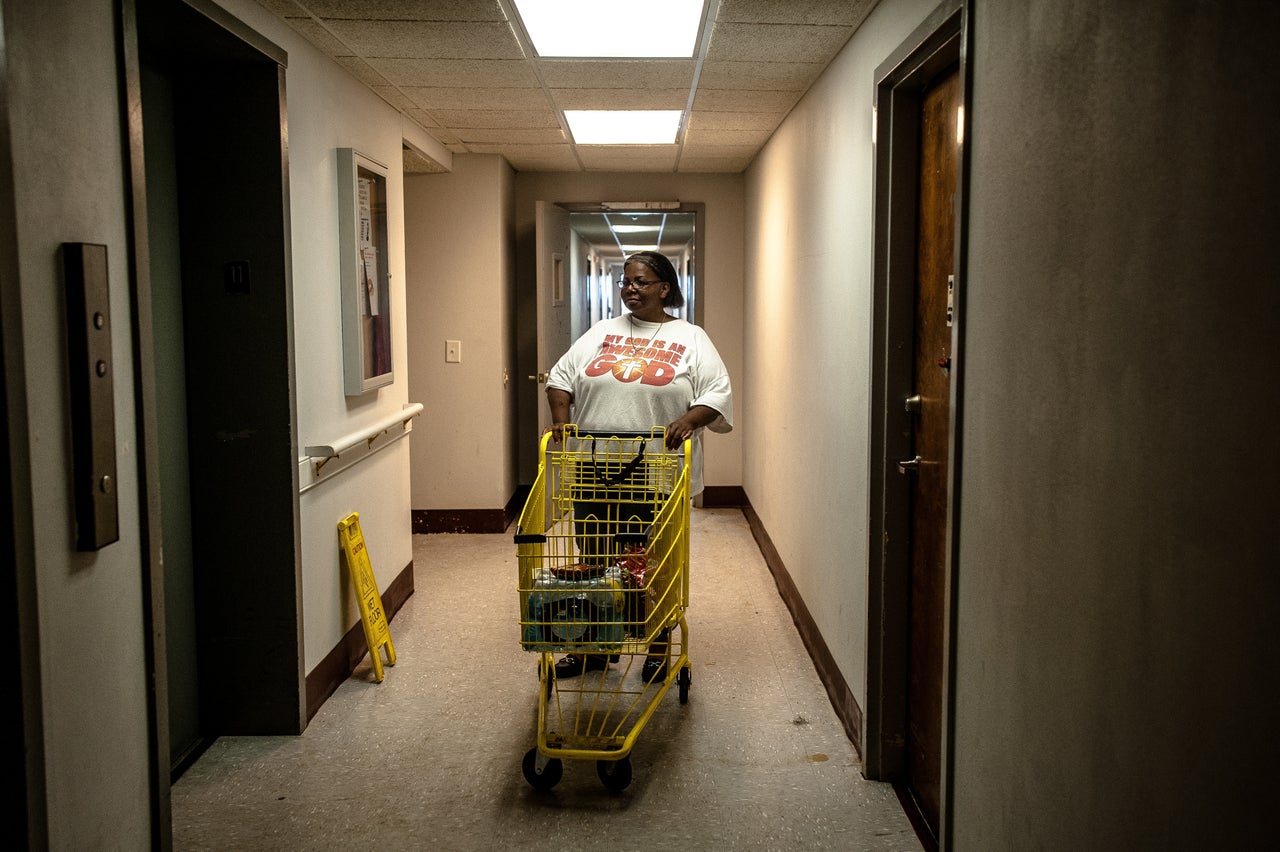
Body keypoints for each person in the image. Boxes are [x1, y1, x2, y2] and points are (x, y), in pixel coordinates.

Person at [543, 250, 733, 681]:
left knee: (648, 559)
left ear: (664, 288)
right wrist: (561, 421)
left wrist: (688, 420)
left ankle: (656, 645)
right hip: (593, 465)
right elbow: (560, 376)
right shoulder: (601, 332)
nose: (630, 289)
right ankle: (594, 645)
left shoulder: (691, 337)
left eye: (641, 282)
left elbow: (716, 392)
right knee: (592, 555)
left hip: (657, 470)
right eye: (625, 282)